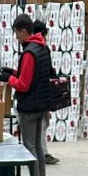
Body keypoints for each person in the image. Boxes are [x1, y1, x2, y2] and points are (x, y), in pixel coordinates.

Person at [0, 14, 52, 176]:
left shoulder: (29, 52)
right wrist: (12, 71)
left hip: (29, 107)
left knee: (30, 147)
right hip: (40, 105)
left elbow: (24, 84)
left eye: (16, 33)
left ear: (23, 31)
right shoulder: (42, 48)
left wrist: (9, 79)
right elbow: (33, 76)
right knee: (37, 146)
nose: (15, 38)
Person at [32, 20, 59, 166]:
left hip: (38, 96)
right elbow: (46, 73)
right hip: (40, 97)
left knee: (43, 124)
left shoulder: (31, 49)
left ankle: (42, 152)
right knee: (41, 126)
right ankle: (43, 154)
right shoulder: (41, 50)